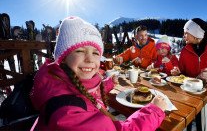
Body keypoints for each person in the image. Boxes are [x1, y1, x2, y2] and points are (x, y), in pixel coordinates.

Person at [30, 16, 167, 130]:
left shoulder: (152, 46)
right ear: (63, 58)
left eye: (95, 53)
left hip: (153, 78)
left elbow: (157, 61)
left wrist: (107, 84)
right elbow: (123, 56)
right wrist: (118, 58)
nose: (90, 59)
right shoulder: (68, 112)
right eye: (79, 51)